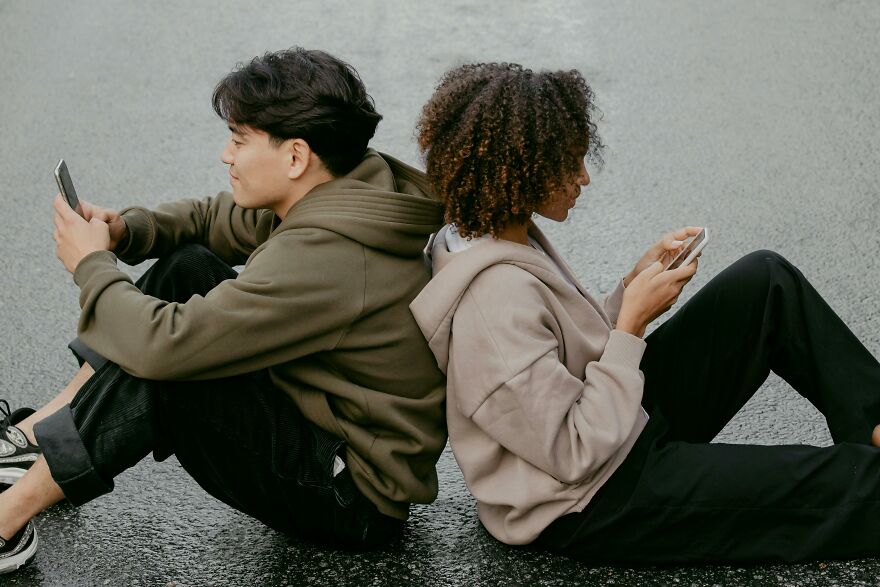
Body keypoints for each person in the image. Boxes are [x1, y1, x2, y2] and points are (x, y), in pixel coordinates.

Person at [409, 62, 880, 564]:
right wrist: (632, 323)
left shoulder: (496, 231)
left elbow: (562, 360)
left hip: (615, 426)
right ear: (517, 170)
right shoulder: (490, 301)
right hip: (591, 500)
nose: (584, 178)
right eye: (569, 164)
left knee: (766, 281)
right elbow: (573, 454)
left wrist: (629, 290)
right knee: (841, 485)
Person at [0, 48, 447, 574]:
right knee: (187, 269)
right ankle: (35, 439)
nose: (225, 155)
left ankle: (8, 516)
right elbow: (216, 220)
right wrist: (127, 232)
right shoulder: (350, 181)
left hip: (349, 495)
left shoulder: (328, 257)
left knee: (169, 367)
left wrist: (92, 265)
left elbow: (164, 346)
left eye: (239, 140)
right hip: (323, 418)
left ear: (296, 157)